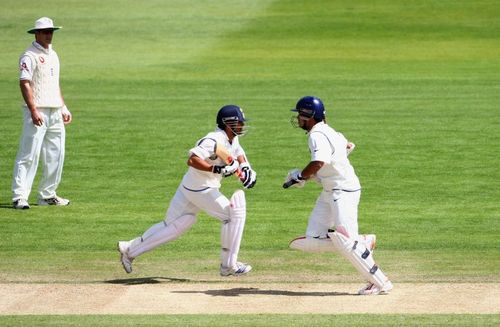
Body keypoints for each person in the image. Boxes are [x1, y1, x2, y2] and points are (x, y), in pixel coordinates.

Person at [117, 105, 257, 276]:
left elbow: (238, 152)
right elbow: (192, 160)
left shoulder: (231, 139)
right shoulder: (212, 140)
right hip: (202, 188)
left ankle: (129, 250)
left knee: (173, 226)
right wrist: (216, 170)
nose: (242, 126)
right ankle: (229, 265)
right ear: (228, 124)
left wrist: (246, 167)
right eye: (240, 123)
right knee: (232, 215)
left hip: (189, 187)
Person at [283, 96, 393, 295]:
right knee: (313, 238)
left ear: (309, 116)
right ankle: (362, 242)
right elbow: (348, 146)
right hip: (330, 191)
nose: (298, 118)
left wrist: (301, 175)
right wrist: (308, 177)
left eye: (300, 114)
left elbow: (319, 161)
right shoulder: (330, 131)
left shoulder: (316, 135)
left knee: (347, 242)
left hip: (343, 192)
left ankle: (380, 282)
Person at [12, 17, 72, 209]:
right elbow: (24, 83)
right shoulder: (29, 55)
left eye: (51, 31)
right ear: (36, 33)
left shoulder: (54, 54)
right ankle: (20, 196)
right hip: (37, 112)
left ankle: (47, 194)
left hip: (54, 110)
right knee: (29, 154)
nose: (49, 34)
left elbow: (54, 84)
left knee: (56, 154)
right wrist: (33, 110)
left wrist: (63, 107)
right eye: (45, 31)